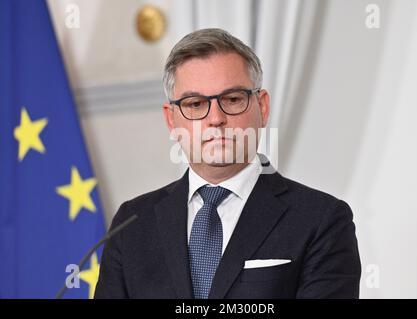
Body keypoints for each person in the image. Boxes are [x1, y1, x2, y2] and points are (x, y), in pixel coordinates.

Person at [94, 28, 361, 299]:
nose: (216, 118)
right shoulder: (131, 223)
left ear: (263, 107)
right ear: (171, 120)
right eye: (196, 104)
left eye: (232, 99)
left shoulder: (321, 220)